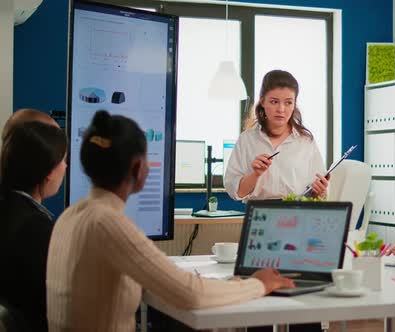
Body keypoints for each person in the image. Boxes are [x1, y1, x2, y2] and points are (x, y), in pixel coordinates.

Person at [46, 111, 294, 331]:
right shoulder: (108, 224)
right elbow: (191, 294)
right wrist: (257, 284)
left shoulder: (70, 216)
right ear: (137, 168)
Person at [0, 121, 68, 332]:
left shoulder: (9, 209)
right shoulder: (36, 228)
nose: (66, 167)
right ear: (49, 172)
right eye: (63, 160)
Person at [224, 69, 329, 201]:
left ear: (294, 104)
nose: (281, 109)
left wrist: (320, 190)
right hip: (260, 214)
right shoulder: (247, 139)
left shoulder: (305, 141)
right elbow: (236, 192)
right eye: (274, 102)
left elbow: (318, 193)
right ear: (263, 102)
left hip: (298, 212)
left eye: (288, 102)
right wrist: (255, 174)